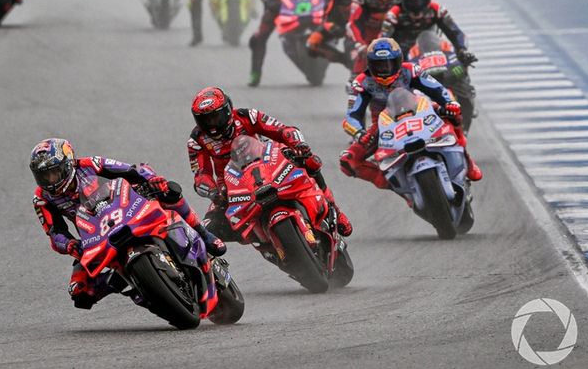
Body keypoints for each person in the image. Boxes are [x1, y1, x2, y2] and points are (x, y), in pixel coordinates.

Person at [30, 138, 225, 310]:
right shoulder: (42, 198)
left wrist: (152, 181)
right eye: (44, 176)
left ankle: (203, 234)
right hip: (96, 235)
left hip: (127, 206)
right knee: (80, 293)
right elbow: (55, 232)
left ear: (68, 164)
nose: (50, 181)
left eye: (54, 173)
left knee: (169, 193)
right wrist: (70, 244)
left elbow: (129, 170)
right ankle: (125, 283)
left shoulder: (91, 164)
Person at [187, 86, 353, 242]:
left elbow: (282, 130)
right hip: (233, 185)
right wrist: (213, 191)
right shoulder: (196, 140)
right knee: (205, 229)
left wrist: (297, 144)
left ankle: (335, 210)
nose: (212, 124)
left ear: (228, 110)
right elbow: (201, 174)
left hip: (267, 163)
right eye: (206, 120)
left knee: (309, 161)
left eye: (216, 117)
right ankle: (218, 268)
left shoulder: (247, 116)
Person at [340, 37, 482, 187]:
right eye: (379, 65)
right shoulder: (361, 83)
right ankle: (395, 185)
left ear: (398, 61)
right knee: (348, 161)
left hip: (420, 111)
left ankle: (466, 159)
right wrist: (359, 133)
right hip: (383, 125)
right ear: (370, 64)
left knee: (453, 114)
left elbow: (438, 89)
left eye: (389, 64)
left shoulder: (411, 70)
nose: (384, 70)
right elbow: (352, 116)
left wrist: (448, 104)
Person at [380, 0, 477, 65]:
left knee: (461, 64)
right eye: (411, 1)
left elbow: (456, 33)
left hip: (434, 55)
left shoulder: (437, 10)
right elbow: (383, 39)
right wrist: (386, 58)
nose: (416, 5)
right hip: (403, 60)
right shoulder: (393, 14)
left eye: (420, 0)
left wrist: (462, 50)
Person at [307, 0, 370, 68]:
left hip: (365, 26)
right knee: (312, 44)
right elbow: (326, 15)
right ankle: (344, 60)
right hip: (341, 25)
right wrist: (331, 26)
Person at [345, 0, 399, 74]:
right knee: (360, 59)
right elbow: (353, 23)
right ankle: (356, 81)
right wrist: (360, 44)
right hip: (367, 39)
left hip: (395, 38)